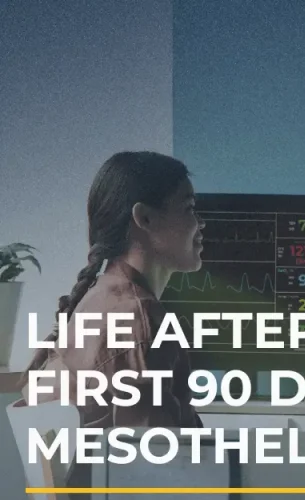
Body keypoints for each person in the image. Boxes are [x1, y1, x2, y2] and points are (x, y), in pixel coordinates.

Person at [19, 151, 206, 489]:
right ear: (144, 218)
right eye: (189, 208)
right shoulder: (138, 317)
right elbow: (155, 476)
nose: (200, 223)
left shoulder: (102, 298)